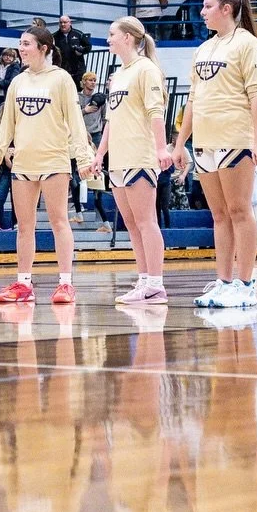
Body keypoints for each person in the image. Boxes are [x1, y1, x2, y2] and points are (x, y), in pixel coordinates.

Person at [171, 0, 257, 308]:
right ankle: (224, 281)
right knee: (219, 215)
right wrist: (179, 143)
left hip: (235, 138)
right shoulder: (203, 49)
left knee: (240, 210)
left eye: (208, 6)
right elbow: (193, 100)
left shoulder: (247, 44)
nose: (202, 11)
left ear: (226, 9)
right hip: (206, 142)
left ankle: (245, 283)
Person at [0, 26, 95, 304]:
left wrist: (82, 157)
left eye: (26, 44)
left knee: (59, 221)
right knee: (24, 226)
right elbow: (6, 125)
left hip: (54, 160)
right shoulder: (18, 81)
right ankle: (24, 284)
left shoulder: (61, 80)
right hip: (23, 163)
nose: (21, 48)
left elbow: (75, 122)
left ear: (44, 48)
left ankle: (66, 283)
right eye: (20, 44)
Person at [85, 17, 172, 304]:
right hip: (118, 159)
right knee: (131, 224)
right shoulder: (119, 74)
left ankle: (156, 284)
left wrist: (161, 149)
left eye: (111, 34)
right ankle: (144, 281)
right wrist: (100, 154)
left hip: (140, 155)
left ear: (127, 37)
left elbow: (155, 112)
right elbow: (111, 119)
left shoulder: (146, 69)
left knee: (147, 222)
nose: (108, 39)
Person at [54, 14, 92, 89]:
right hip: (62, 71)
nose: (63, 24)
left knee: (78, 92)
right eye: (61, 22)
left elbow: (88, 46)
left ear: (70, 23)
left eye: (65, 22)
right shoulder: (55, 36)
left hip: (78, 71)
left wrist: (81, 51)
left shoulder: (78, 34)